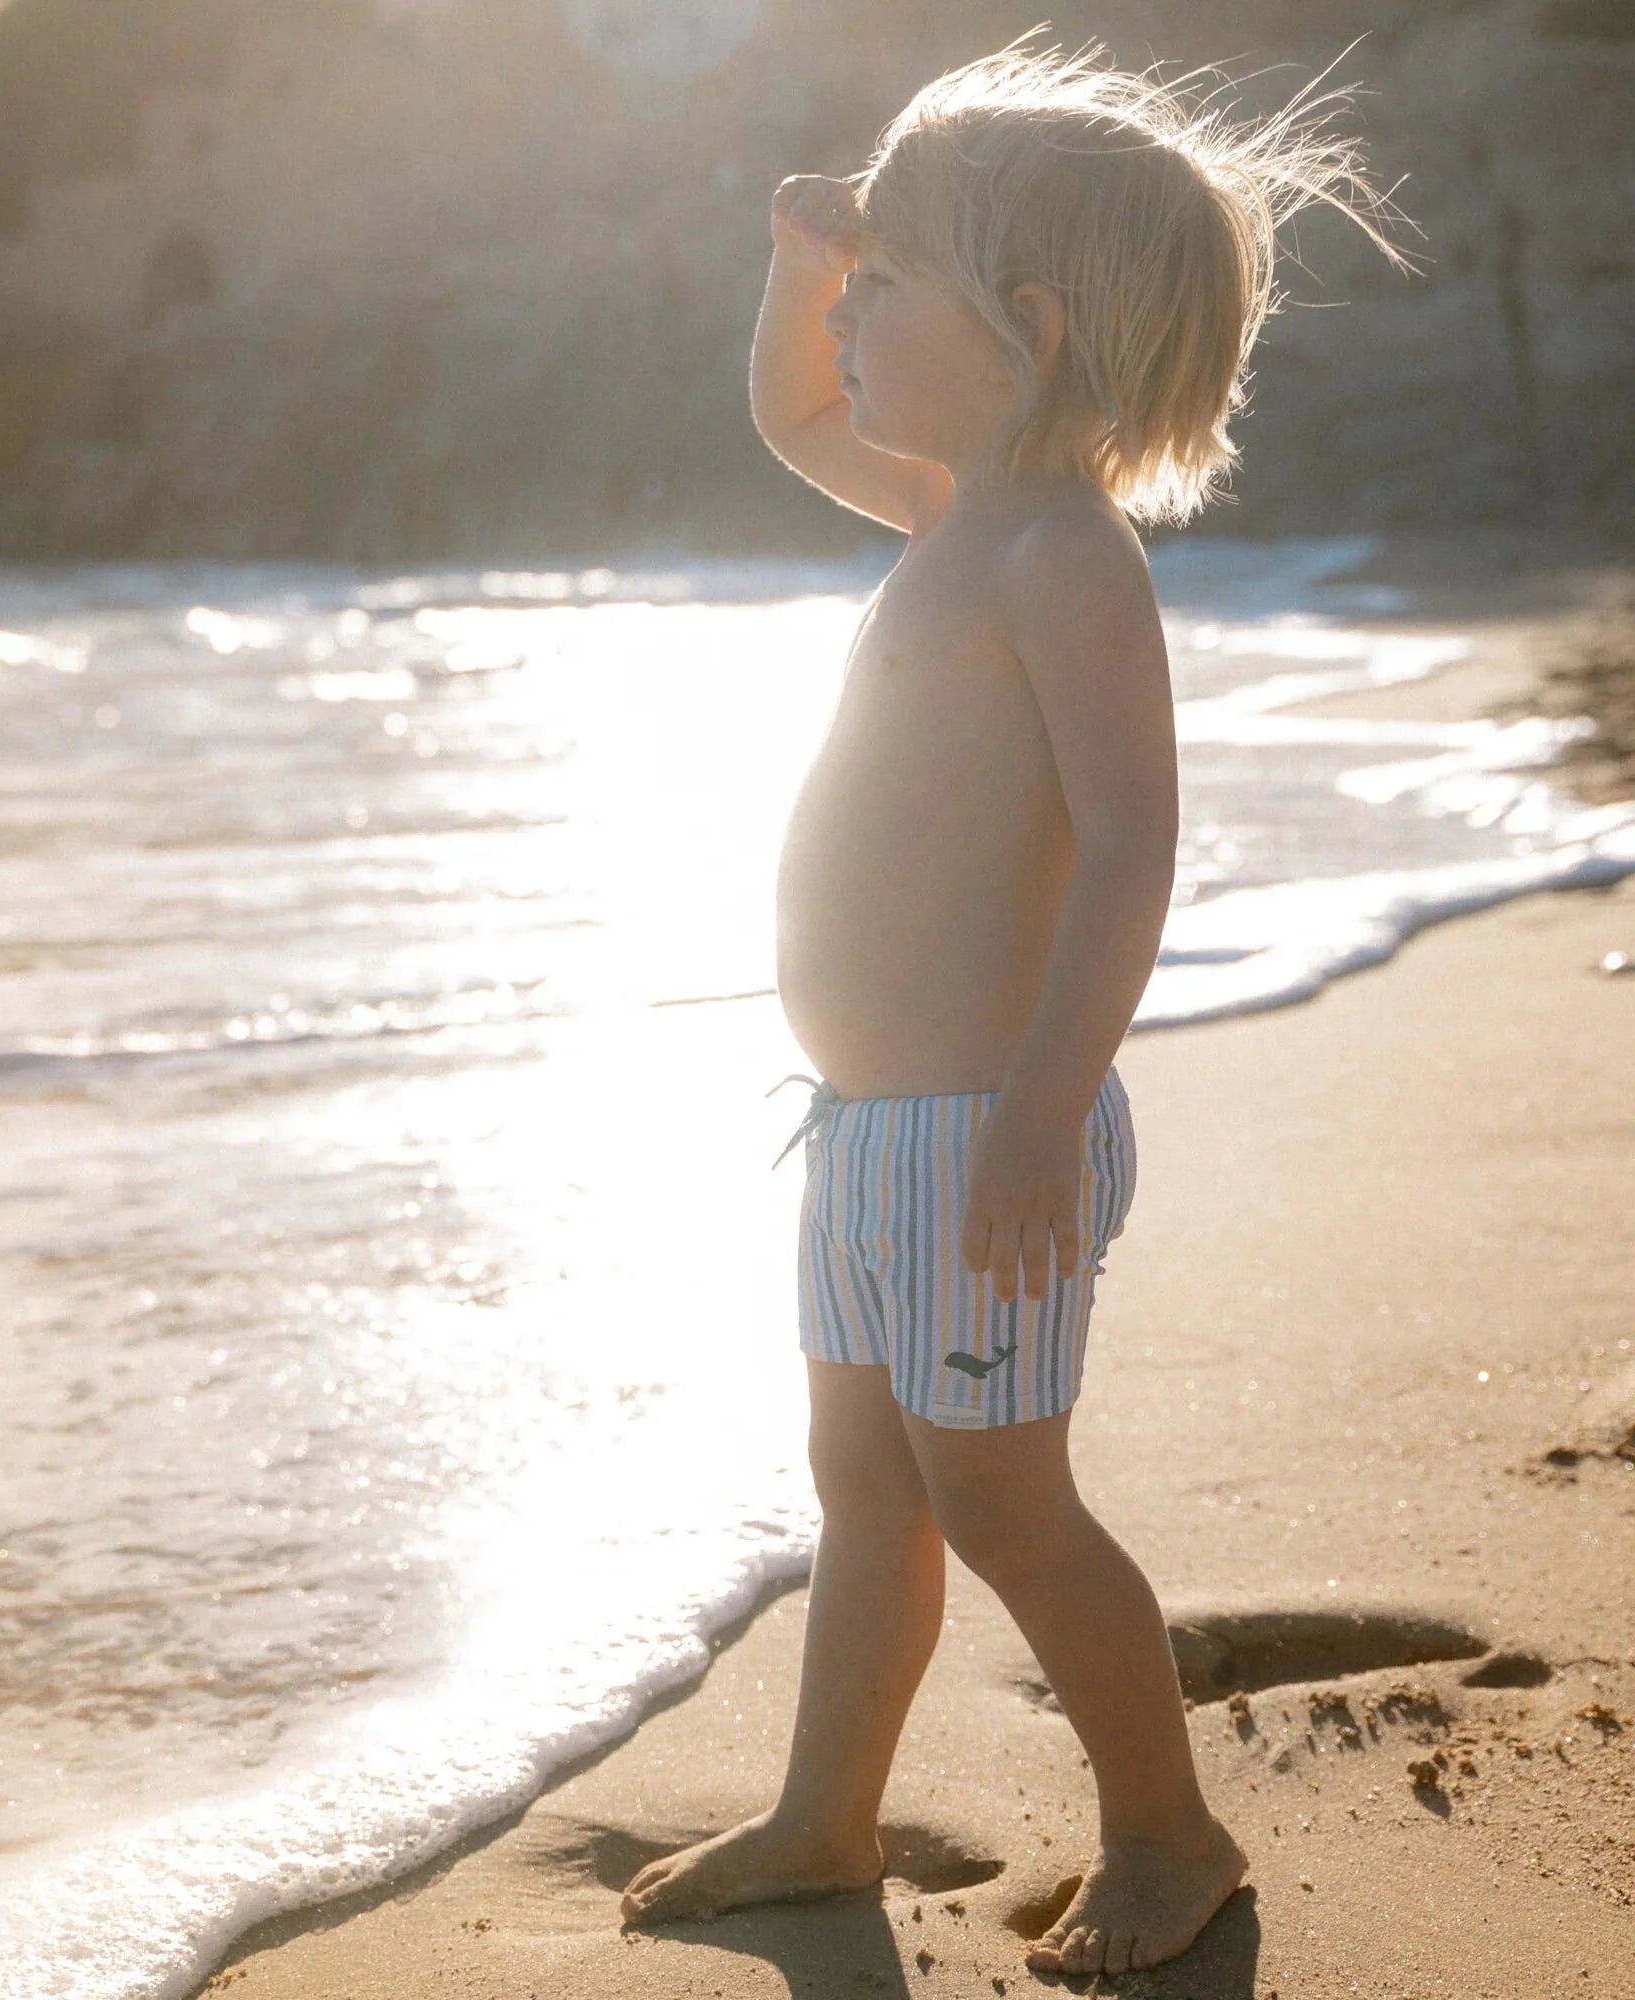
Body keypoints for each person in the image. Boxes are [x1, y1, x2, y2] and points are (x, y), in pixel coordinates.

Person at [619, 31, 1409, 1976]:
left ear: (1032, 329)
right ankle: (824, 1810)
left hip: (985, 1129)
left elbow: (1134, 842)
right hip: (866, 1131)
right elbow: (793, 405)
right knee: (863, 1482)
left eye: (894, 285)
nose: (857, 317)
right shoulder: (948, 512)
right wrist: (810, 261)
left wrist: (1049, 1108)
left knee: (1004, 1501)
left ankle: (1168, 1831)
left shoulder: (1061, 555)